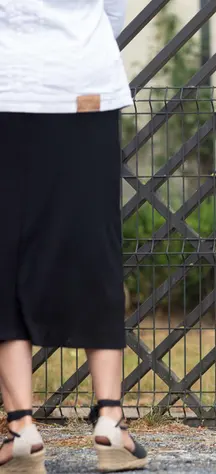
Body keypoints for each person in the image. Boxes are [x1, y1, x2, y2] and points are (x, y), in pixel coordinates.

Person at [0, 0, 147, 472]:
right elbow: (111, 13)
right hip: (85, 85)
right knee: (93, 249)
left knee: (5, 255)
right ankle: (110, 421)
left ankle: (22, 426)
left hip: (8, 87)